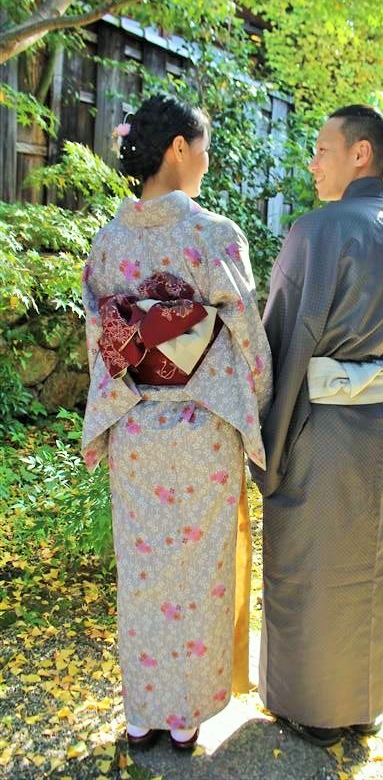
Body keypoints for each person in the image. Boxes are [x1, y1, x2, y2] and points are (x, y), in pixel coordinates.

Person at [81, 95, 271, 751]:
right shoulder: (214, 235)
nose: (207, 164)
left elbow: (102, 343)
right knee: (194, 573)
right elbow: (246, 338)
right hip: (202, 430)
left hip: (135, 429)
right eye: (205, 151)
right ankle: (184, 715)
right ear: (179, 149)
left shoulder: (108, 241)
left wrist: (137, 357)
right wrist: (256, 403)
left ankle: (141, 713)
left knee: (142, 574)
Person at [251, 104, 383, 747]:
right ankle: (363, 703)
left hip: (318, 428)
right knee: (370, 567)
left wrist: (268, 443)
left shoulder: (317, 230)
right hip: (382, 428)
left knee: (310, 565)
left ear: (361, 154)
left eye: (322, 149)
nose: (313, 163)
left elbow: (281, 339)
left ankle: (314, 708)